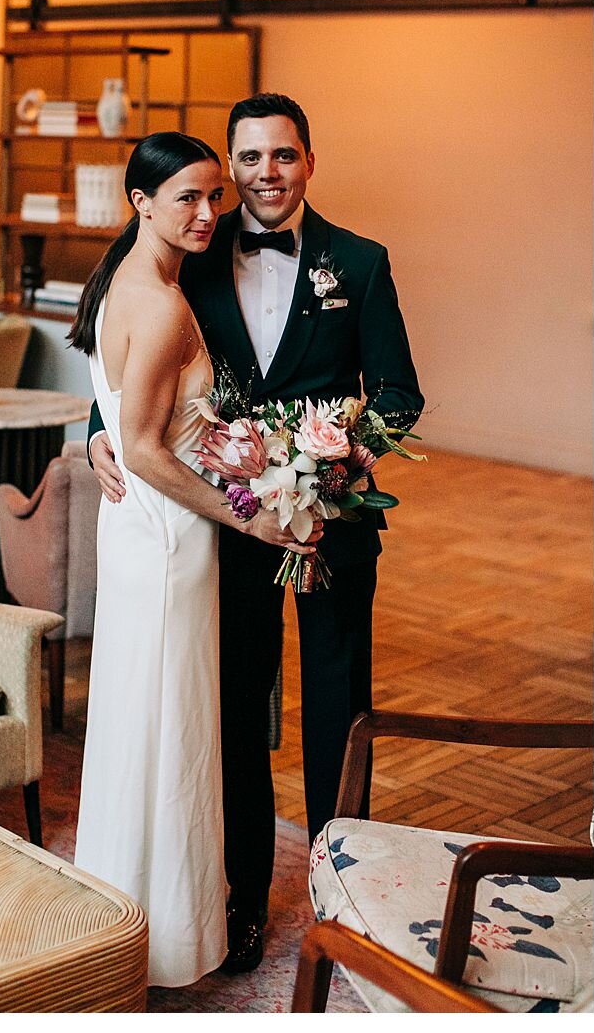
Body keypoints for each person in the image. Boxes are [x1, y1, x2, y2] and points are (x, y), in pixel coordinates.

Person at [88, 95, 423, 973]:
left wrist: (336, 462)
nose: (264, 174)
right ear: (229, 167)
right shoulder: (190, 250)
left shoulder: (361, 261)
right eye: (250, 159)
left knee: (338, 715)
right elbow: (128, 359)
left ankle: (339, 896)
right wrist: (98, 431)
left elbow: (399, 396)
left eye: (283, 155)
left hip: (332, 532)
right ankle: (237, 903)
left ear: (309, 161)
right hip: (227, 538)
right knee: (233, 717)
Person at [68, 132, 323, 987]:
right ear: (140, 201)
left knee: (144, 728)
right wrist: (253, 519)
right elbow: (141, 446)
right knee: (172, 738)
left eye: (214, 195)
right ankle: (165, 934)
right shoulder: (165, 304)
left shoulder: (122, 284)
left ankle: (122, 914)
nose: (210, 211)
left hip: (146, 538)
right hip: (172, 541)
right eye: (189, 197)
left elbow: (138, 417)